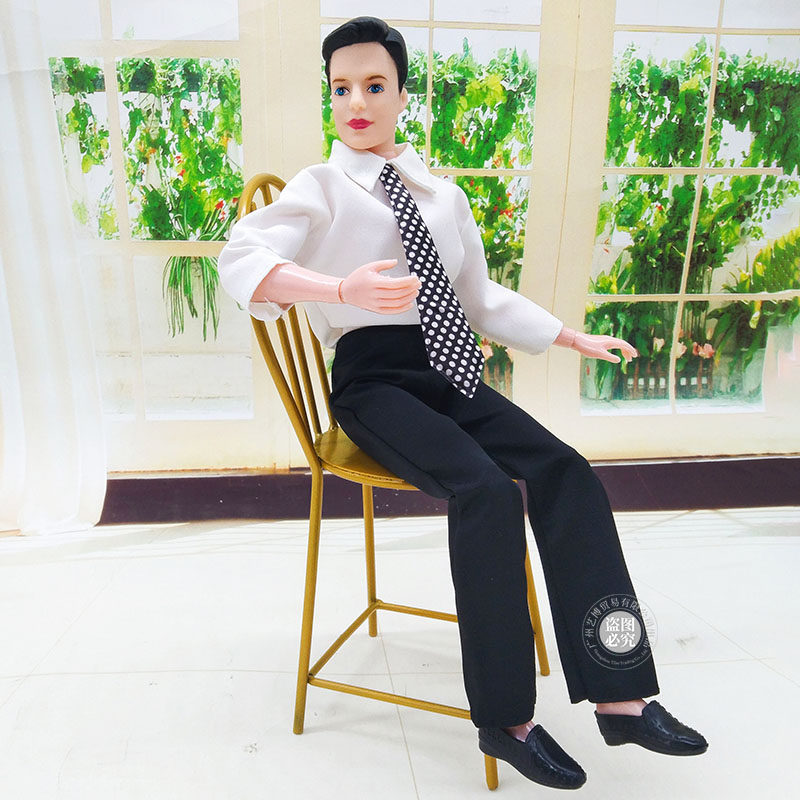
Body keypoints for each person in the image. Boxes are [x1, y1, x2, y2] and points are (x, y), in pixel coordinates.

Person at [219, 16, 708, 789]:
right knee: (484, 491)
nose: (356, 102)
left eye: (374, 85)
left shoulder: (442, 198)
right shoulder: (321, 187)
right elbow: (242, 259)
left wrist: (567, 336)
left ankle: (621, 695)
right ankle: (508, 720)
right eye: (341, 88)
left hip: (449, 374)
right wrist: (338, 289)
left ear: (402, 94)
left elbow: (478, 299)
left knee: (566, 470)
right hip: (374, 382)